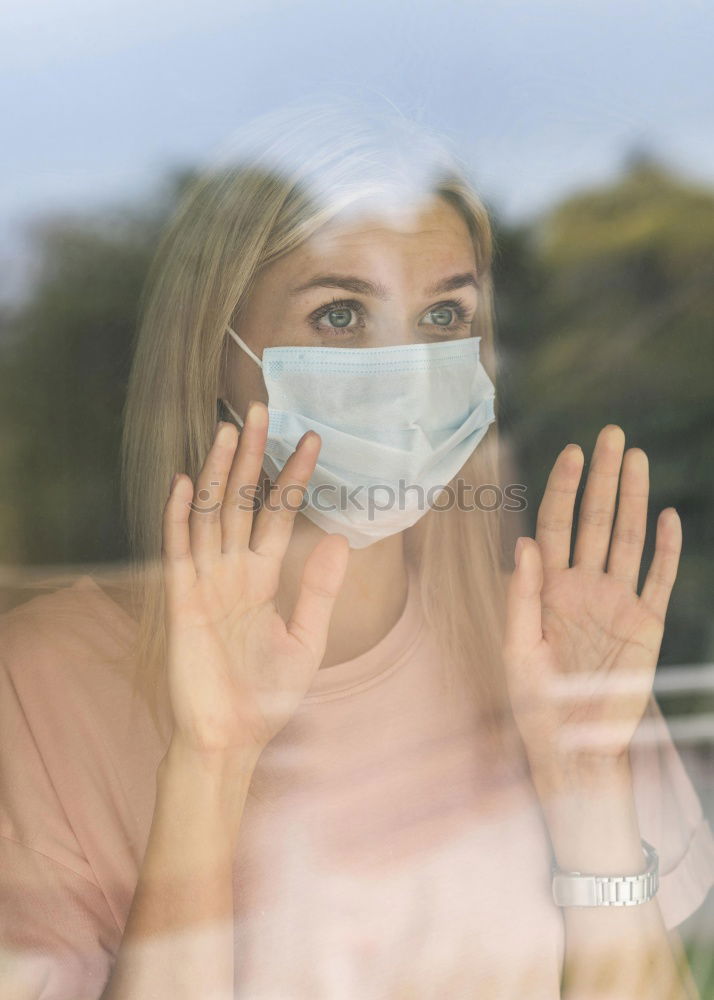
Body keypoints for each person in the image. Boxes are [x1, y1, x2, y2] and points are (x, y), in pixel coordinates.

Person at [1, 96, 713, 999]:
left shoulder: (554, 644)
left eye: (446, 317)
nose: (409, 368)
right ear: (216, 349)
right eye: (340, 315)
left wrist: (590, 781)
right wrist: (209, 765)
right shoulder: (46, 684)